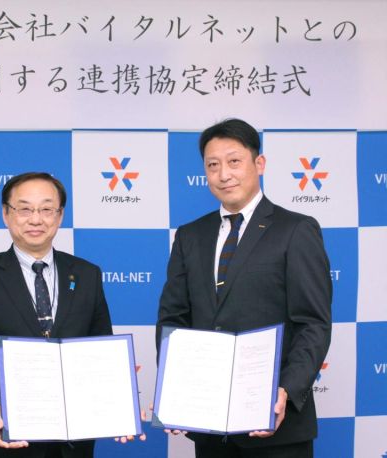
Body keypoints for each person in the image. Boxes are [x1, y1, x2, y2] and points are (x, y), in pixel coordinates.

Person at [157, 119, 332, 458]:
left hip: (276, 427)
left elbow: (313, 323)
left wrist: (286, 389)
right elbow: (173, 318)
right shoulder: (190, 236)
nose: (224, 174)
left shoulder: (296, 230)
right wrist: (174, 387)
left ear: (259, 163)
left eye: (234, 161)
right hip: (210, 430)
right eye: (213, 165)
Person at [0, 172, 116, 457]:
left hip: (73, 445)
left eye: (47, 209)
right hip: (6, 441)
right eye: (24, 209)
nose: (36, 219)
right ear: (6, 214)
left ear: (60, 216)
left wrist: (116, 406)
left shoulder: (87, 275)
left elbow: (101, 352)